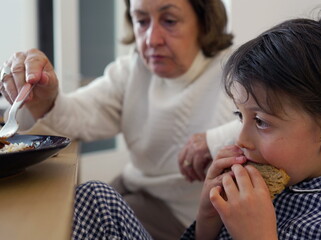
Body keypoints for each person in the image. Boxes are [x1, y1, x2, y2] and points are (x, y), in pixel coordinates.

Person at [71, 13, 321, 239]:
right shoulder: (265, 184)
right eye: (239, 118)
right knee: (96, 198)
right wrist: (207, 222)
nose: (242, 139)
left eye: (261, 121)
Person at [0, 0, 240, 239]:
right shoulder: (133, 70)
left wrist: (213, 141)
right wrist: (46, 96)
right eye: (141, 21)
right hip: (133, 187)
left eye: (169, 21)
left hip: (182, 217)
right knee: (51, 211)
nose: (151, 40)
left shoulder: (234, 73)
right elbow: (79, 115)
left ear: (204, 22)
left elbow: (273, 124)